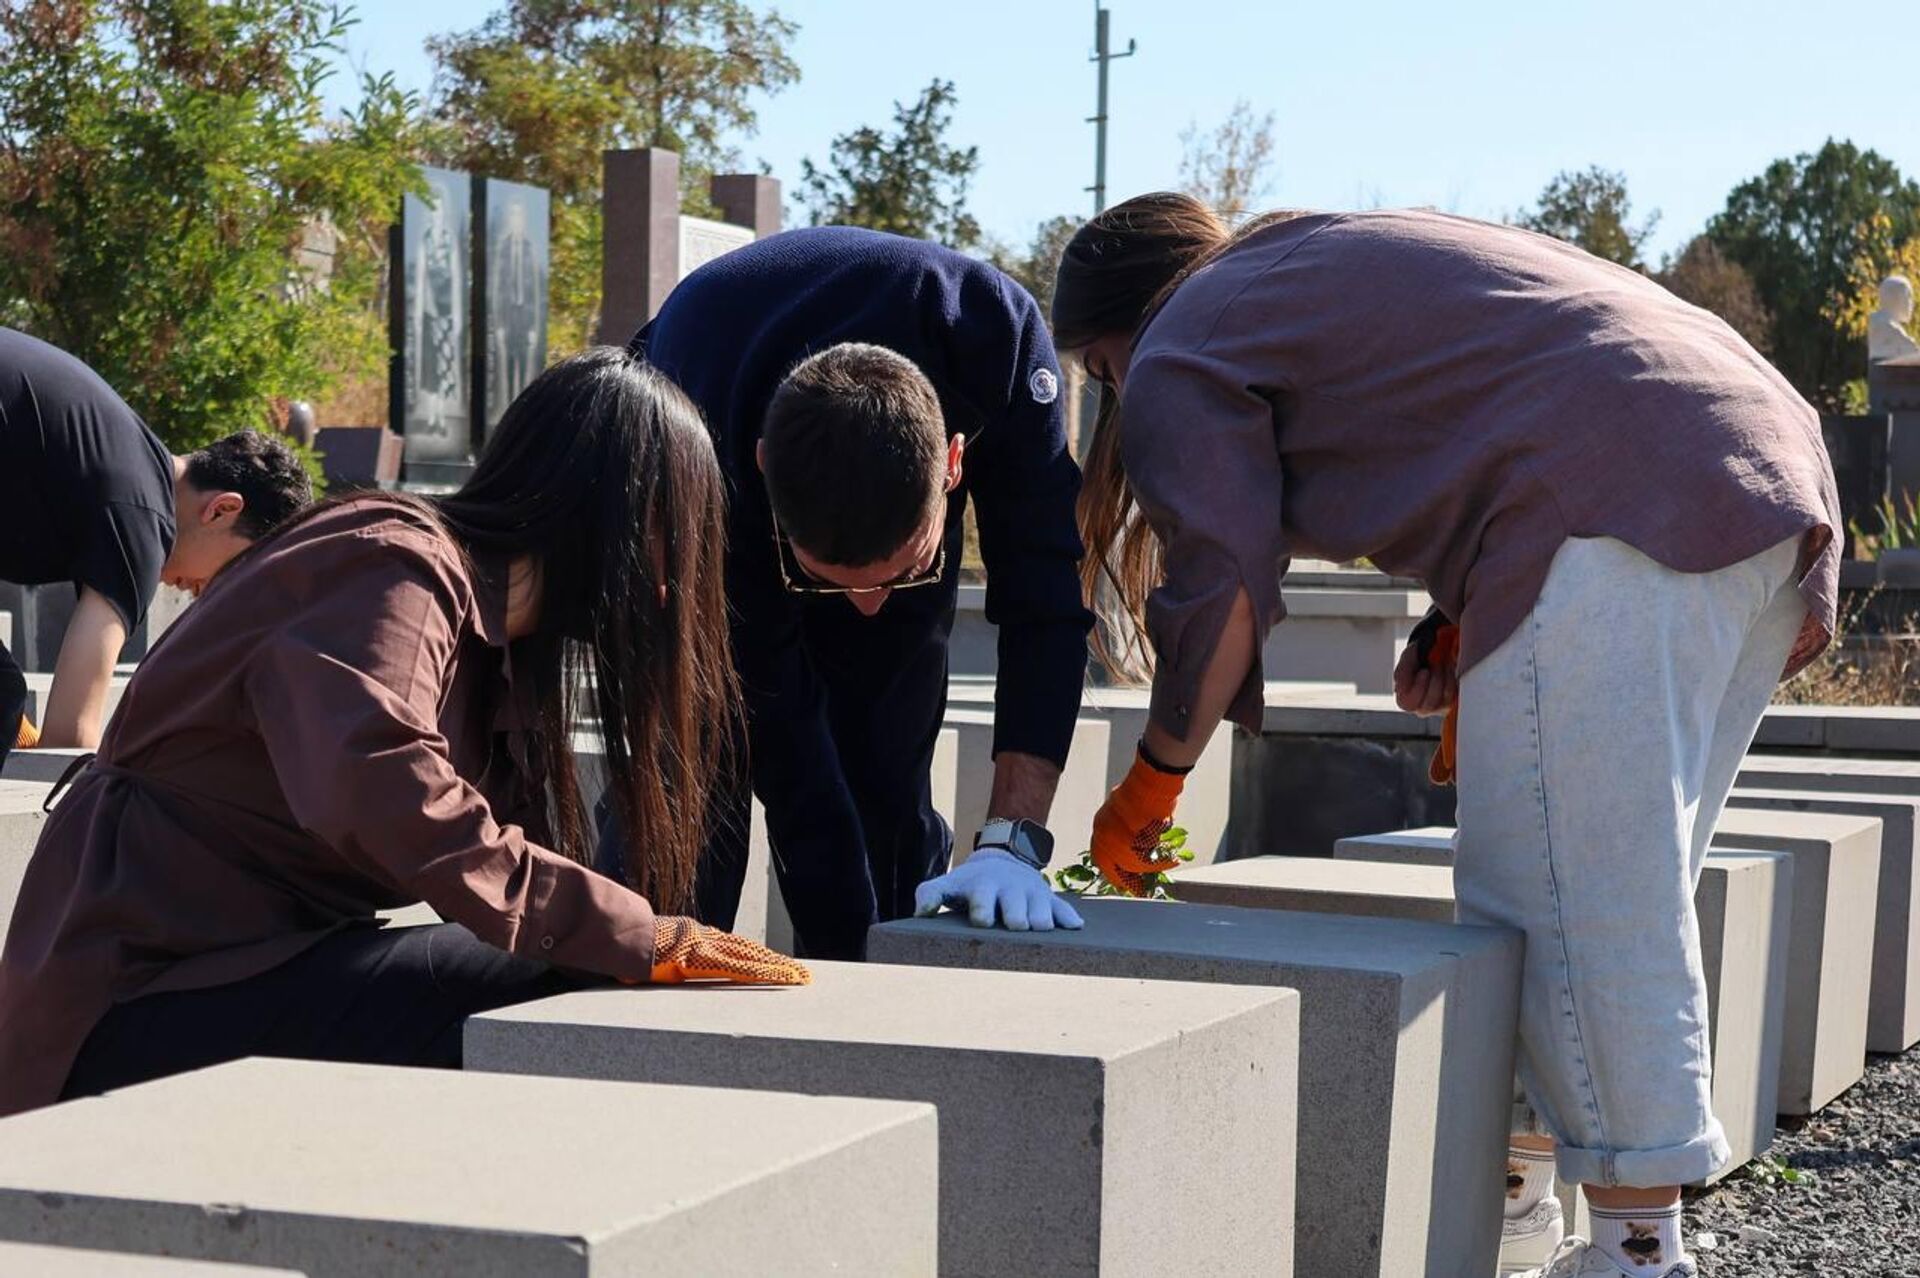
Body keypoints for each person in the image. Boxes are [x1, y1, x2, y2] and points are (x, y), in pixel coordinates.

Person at [1055, 193, 1839, 1278]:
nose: (1116, 393)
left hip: (1615, 503)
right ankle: (1517, 1212)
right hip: (1757, 469)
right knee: (1550, 897)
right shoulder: (1296, 264)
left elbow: (1220, 586)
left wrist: (1151, 784)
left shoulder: (1182, 337)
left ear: (1123, 325)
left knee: (1585, 903)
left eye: (1100, 370)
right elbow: (1510, 393)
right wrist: (1465, 613)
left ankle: (1639, 1255)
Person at [0, 348, 807, 1118]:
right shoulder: (394, 562)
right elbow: (373, 776)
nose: (670, 591)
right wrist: (631, 933)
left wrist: (625, 933)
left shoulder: (498, 650)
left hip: (226, 967)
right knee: (546, 983)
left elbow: (512, 855)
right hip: (122, 1002)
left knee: (580, 973)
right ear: (620, 523)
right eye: (677, 549)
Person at [615, 226, 1093, 961]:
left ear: (954, 463)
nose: (868, 605)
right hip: (712, 511)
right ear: (765, 467)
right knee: (690, 811)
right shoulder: (697, 408)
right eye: (829, 579)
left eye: (899, 573)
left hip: (881, 453)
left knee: (885, 803)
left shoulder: (994, 342)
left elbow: (1046, 606)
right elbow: (783, 733)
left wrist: (1012, 843)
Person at [0, 327, 312, 765]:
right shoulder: (143, 520)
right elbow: (68, 738)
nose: (204, 593)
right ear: (222, 509)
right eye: (233, 573)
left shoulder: (125, 461)